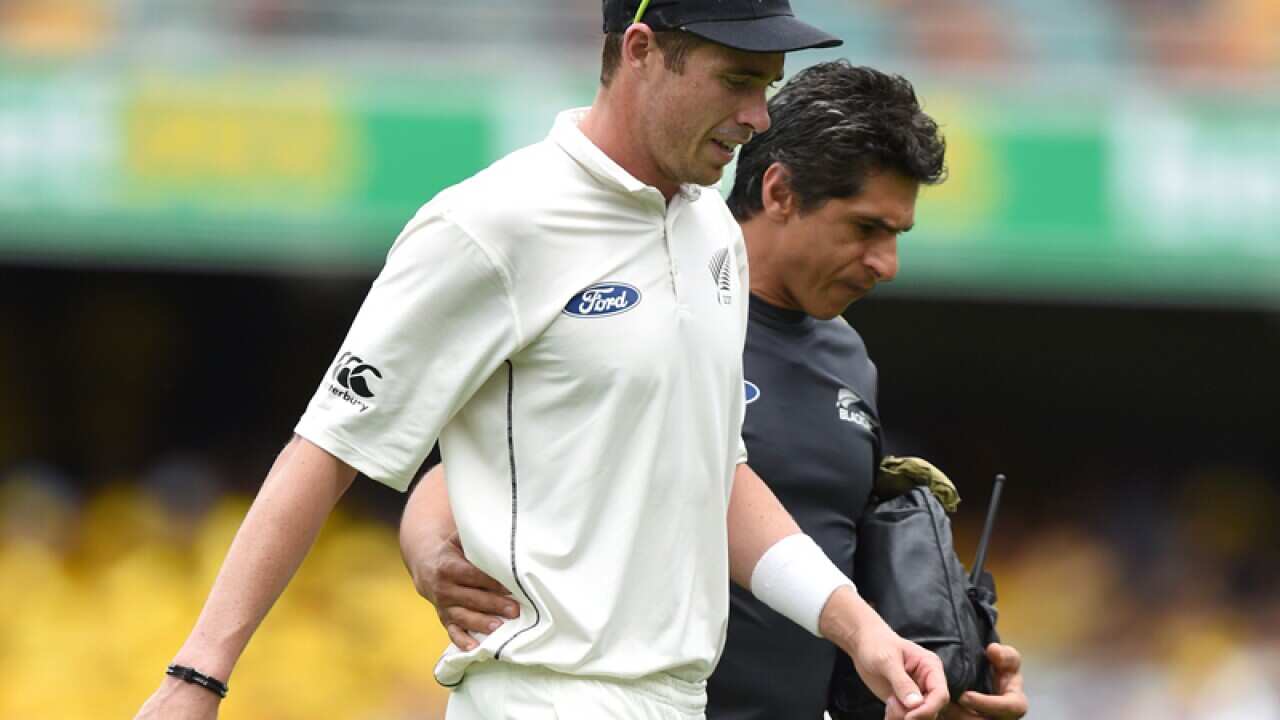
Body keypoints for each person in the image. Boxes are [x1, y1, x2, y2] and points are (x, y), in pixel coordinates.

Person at [135, 3, 950, 720]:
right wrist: (198, 674)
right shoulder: (490, 224)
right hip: (541, 695)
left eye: (767, 85)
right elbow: (328, 449)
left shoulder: (711, 237)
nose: (757, 116)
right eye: (737, 79)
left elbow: (717, 472)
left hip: (679, 701)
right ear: (640, 51)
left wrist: (862, 631)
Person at [401, 62, 1029, 720]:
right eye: (865, 228)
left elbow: (832, 555)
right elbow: (473, 471)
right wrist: (428, 556)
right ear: (781, 193)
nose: (886, 264)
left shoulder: (850, 360)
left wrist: (942, 676)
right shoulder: (649, 317)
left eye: (897, 236)